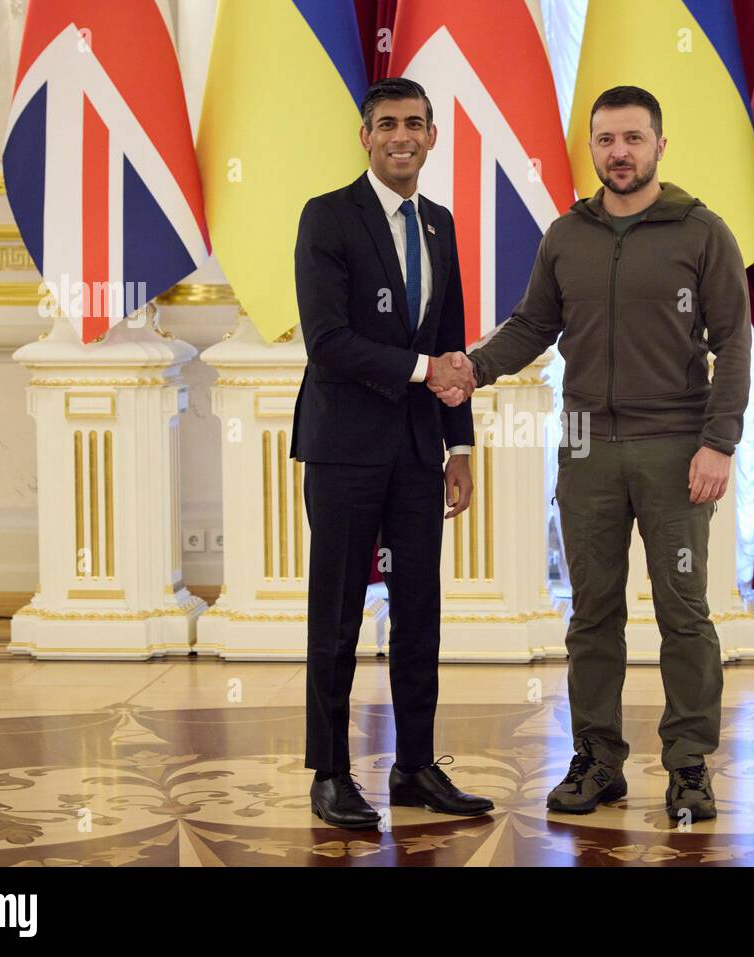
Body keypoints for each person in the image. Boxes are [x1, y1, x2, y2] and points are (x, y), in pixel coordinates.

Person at [439, 85, 751, 821]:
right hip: (585, 448)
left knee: (684, 611)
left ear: (659, 147)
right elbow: (531, 326)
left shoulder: (703, 233)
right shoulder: (565, 236)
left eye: (633, 139)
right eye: (606, 140)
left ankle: (688, 766)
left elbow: (734, 344)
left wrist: (719, 443)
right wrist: (472, 370)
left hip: (677, 449)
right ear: (593, 147)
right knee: (591, 613)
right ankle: (597, 759)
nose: (619, 153)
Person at [291, 77, 492, 828]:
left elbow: (451, 341)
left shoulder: (438, 223)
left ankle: (414, 766)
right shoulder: (327, 218)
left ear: (432, 136)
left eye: (414, 123)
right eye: (386, 125)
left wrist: (460, 444)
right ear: (365, 137)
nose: (401, 136)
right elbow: (329, 342)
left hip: (417, 453)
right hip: (343, 447)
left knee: (419, 612)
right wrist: (422, 371)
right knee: (337, 613)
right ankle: (331, 772)